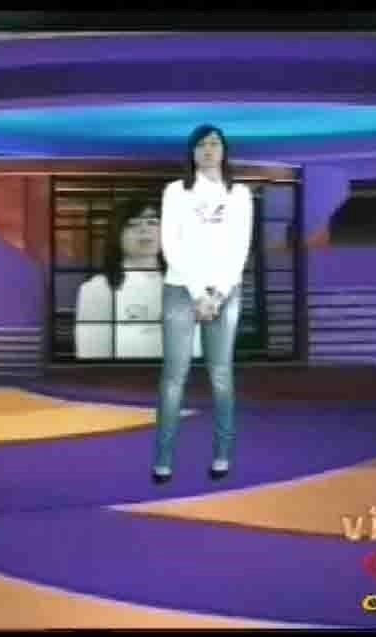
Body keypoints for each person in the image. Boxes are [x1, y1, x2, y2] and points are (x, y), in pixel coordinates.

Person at [152, 124, 253, 484]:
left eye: (215, 143)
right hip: (181, 289)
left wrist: (219, 293)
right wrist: (198, 294)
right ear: (192, 152)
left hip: (225, 292)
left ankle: (223, 455)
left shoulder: (239, 194)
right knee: (173, 377)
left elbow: (241, 247)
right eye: (202, 144)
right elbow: (171, 245)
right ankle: (163, 459)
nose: (209, 149)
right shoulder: (175, 192)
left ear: (224, 151)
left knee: (221, 374)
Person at [74, 200, 202, 359]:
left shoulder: (190, 284)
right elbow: (92, 356)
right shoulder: (98, 289)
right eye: (132, 224)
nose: (144, 229)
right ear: (116, 235)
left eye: (152, 222)